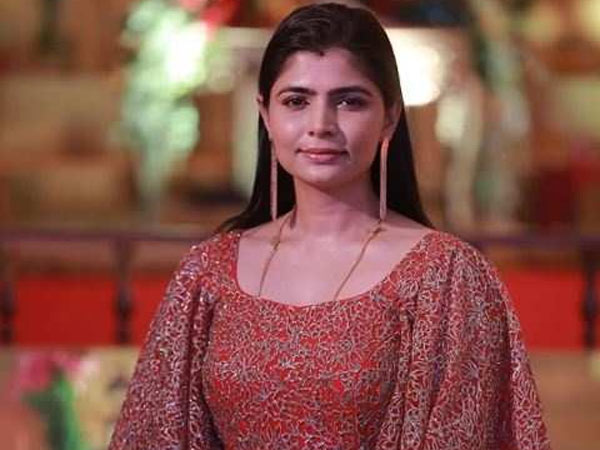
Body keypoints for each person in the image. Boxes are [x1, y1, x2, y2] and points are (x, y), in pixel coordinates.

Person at [109, 3, 551, 449]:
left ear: (390, 116)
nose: (320, 125)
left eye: (349, 101)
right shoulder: (208, 273)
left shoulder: (445, 277)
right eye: (296, 101)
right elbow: (153, 435)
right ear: (265, 114)